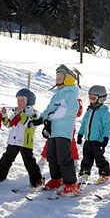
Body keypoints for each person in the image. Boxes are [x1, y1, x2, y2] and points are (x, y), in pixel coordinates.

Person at [29, 64, 80, 195]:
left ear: (68, 79)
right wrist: (40, 119)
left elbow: (62, 111)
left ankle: (70, 183)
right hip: (53, 132)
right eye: (56, 76)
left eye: (60, 76)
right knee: (51, 156)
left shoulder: (70, 95)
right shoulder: (56, 95)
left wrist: (48, 120)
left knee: (64, 157)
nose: (57, 78)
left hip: (63, 131)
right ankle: (57, 179)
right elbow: (49, 109)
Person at [0, 89, 43, 188]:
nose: (19, 102)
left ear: (29, 101)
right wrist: (4, 115)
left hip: (25, 142)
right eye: (18, 100)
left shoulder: (32, 112)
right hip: (14, 140)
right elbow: (8, 124)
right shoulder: (17, 112)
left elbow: (27, 123)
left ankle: (37, 181)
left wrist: (22, 113)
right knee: (7, 158)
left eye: (22, 100)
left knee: (29, 161)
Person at [77, 85, 110, 184]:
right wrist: (80, 134)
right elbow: (84, 123)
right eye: (90, 97)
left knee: (99, 158)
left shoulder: (105, 113)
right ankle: (84, 173)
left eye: (93, 98)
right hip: (88, 140)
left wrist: (105, 137)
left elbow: (107, 126)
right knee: (86, 157)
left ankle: (105, 173)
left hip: (98, 140)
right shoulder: (89, 110)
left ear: (101, 99)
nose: (91, 100)